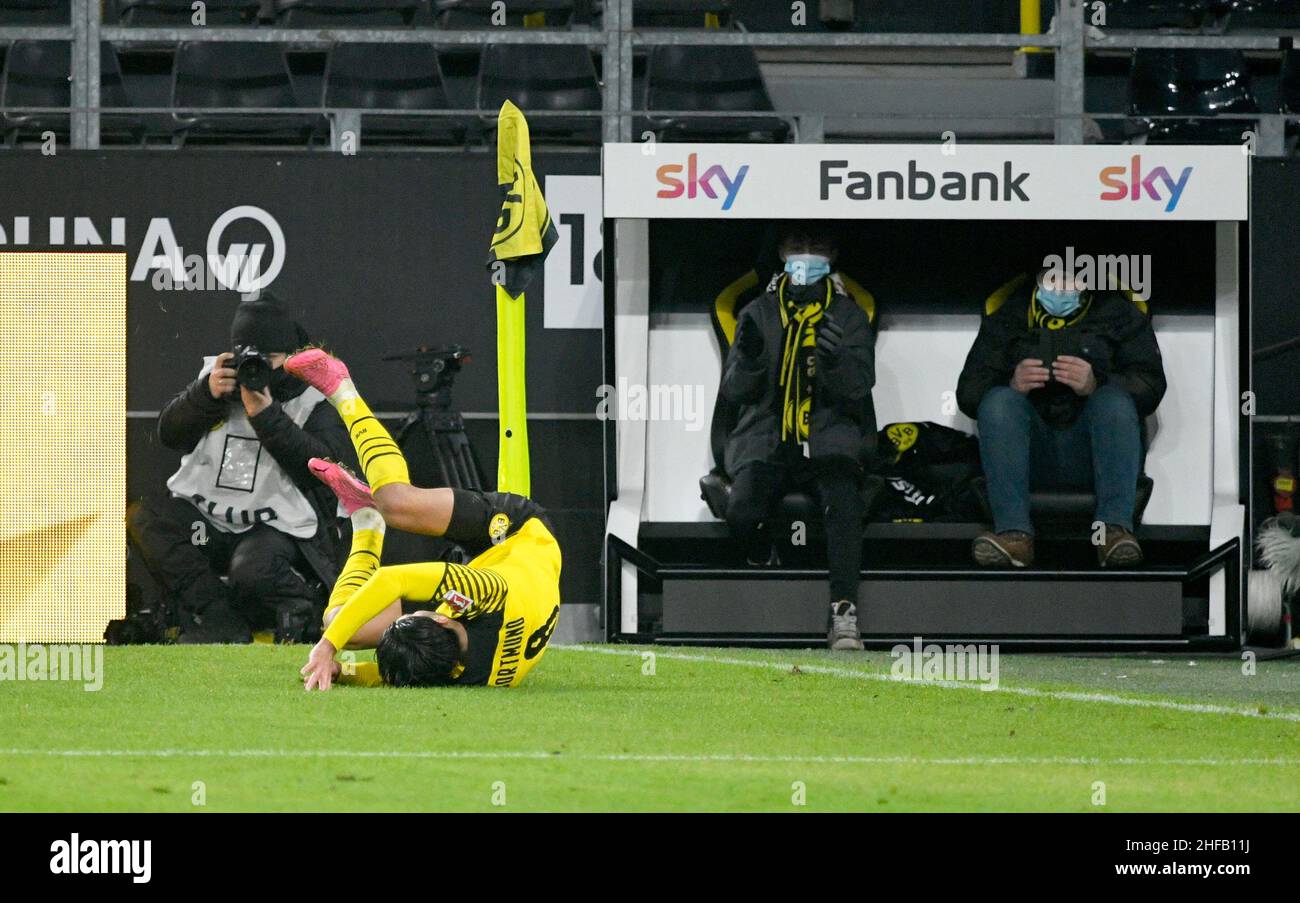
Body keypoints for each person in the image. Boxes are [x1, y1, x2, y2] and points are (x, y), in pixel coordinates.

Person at [285, 348, 562, 690]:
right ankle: (342, 389)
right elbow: (391, 581)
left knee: (341, 622)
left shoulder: (477, 675)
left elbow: (407, 676)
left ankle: (366, 521)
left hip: (491, 576)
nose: (428, 609)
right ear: (444, 620)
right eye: (424, 613)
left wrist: (346, 672)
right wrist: (328, 648)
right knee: (397, 503)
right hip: (516, 535)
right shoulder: (490, 593)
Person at [127, 292, 356, 643]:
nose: (257, 368)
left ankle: (307, 616)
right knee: (146, 518)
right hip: (211, 522)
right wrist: (201, 395)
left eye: (269, 359)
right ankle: (219, 620)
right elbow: (169, 434)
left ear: (291, 358)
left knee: (253, 568)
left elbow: (327, 471)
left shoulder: (314, 396)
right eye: (249, 357)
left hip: (278, 526)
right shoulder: (218, 379)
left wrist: (267, 417)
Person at [720, 227, 876, 651]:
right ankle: (760, 554)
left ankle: (844, 614)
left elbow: (860, 387)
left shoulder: (849, 316)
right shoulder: (758, 312)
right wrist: (750, 361)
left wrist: (833, 362)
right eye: (797, 249)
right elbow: (734, 392)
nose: (806, 258)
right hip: (767, 440)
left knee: (843, 503)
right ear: (782, 256)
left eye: (817, 250)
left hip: (828, 440)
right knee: (740, 512)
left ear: (832, 258)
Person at [955, 264, 1167, 568]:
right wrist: (1013, 384)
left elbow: (1150, 385)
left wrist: (1097, 383)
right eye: (1053, 279)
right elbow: (969, 392)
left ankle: (1112, 534)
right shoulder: (1011, 314)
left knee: (1112, 400)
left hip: (1095, 454)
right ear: (1038, 279)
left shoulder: (1118, 312)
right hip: (1028, 455)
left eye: (1070, 280)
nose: (1060, 288)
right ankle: (1014, 537)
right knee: (1000, 401)